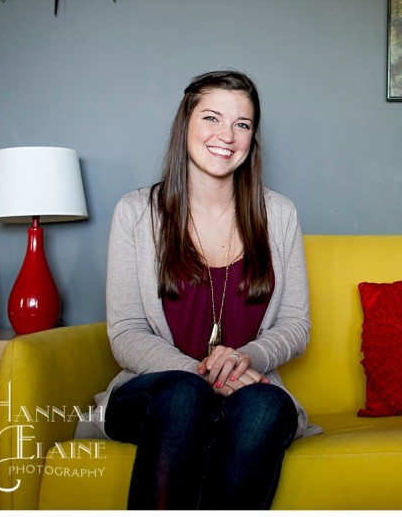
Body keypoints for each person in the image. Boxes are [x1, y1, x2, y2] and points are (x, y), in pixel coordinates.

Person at [75, 70, 316, 509]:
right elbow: (126, 333)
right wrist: (204, 374)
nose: (227, 135)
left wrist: (248, 359)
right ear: (185, 123)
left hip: (248, 393)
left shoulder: (279, 214)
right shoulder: (136, 213)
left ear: (252, 137)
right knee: (186, 397)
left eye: (242, 124)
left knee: (266, 404)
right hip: (156, 393)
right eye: (211, 118)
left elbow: (295, 325)